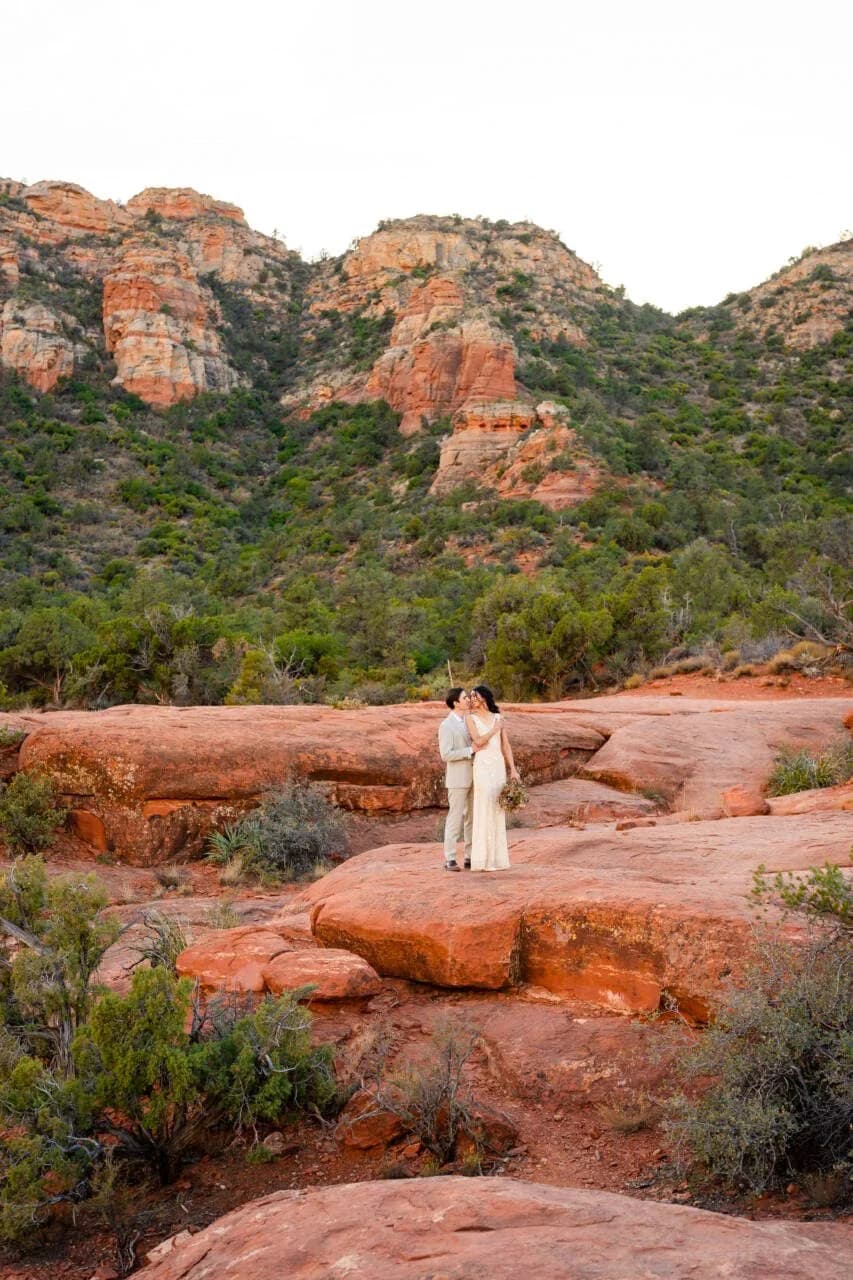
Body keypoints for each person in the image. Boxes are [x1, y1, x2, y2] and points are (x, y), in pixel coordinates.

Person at [465, 685, 519, 872]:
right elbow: (478, 741)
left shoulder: (498, 717)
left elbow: (506, 746)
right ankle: (482, 860)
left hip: (497, 766)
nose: (471, 699)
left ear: (484, 697)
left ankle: (497, 859)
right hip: (482, 765)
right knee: (484, 806)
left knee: (497, 808)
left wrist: (512, 769)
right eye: (470, 696)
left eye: (474, 695)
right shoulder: (470, 718)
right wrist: (495, 729)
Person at [437, 687, 477, 871]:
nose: (468, 699)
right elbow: (446, 754)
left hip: (475, 776)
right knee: (455, 817)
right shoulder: (446, 726)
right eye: (464, 697)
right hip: (457, 778)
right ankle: (450, 858)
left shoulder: (470, 720)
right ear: (455, 702)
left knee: (472, 817)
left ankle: (469, 856)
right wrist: (470, 751)